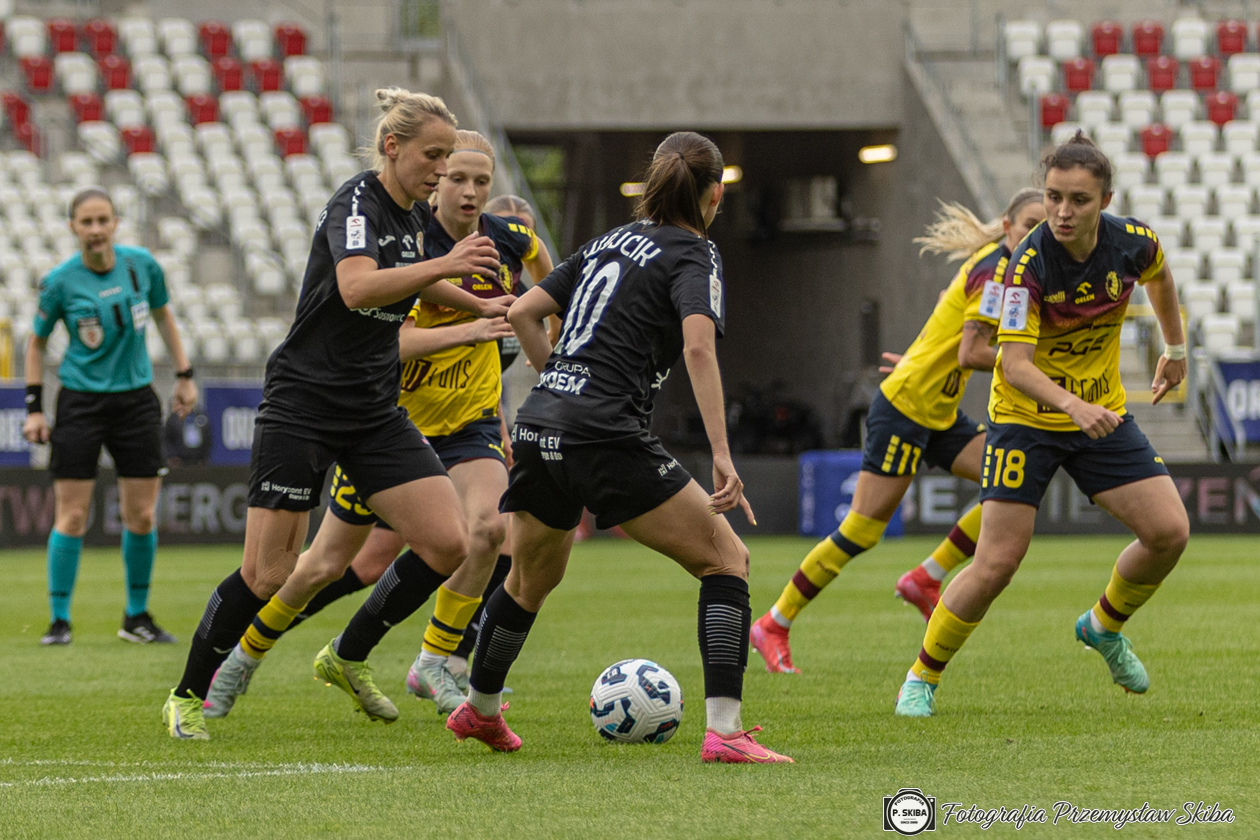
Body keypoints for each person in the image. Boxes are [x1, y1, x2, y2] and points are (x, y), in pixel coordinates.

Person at [162, 87, 506, 740]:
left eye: (449, 157)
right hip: (305, 404)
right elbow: (356, 286)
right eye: (433, 156)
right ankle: (186, 694)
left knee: (449, 542)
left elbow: (414, 273)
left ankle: (348, 653)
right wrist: (448, 262)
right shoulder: (357, 204)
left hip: (372, 409)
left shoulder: (411, 216)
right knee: (269, 574)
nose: (442, 170)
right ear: (392, 147)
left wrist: (477, 303)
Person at [445, 131, 793, 764]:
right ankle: (726, 733)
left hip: (540, 420)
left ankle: (480, 709)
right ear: (715, 194)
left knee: (529, 578)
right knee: (727, 561)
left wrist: (559, 385)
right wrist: (721, 452)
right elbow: (697, 347)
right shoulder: (696, 252)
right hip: (604, 430)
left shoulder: (609, 240)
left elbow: (523, 313)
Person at [895, 133, 1190, 717]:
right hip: (1026, 419)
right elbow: (1013, 365)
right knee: (997, 563)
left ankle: (1103, 626)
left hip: (1099, 413)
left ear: (1106, 201)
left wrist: (1175, 348)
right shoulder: (1026, 265)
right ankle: (921, 676)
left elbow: (1160, 277)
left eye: (1078, 200)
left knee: (1169, 532)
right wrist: (1073, 408)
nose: (1062, 211)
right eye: (1054, 196)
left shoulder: (1134, 242)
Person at [748, 188, 1046, 673]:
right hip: (907, 407)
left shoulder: (1004, 269)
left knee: (1017, 480)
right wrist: (1036, 369)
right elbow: (971, 351)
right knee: (861, 531)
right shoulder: (995, 270)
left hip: (937, 410)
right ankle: (773, 623)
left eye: (1044, 225)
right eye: (1030, 224)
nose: (1038, 233)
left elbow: (947, 316)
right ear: (1008, 226)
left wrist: (920, 358)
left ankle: (926, 578)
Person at [24, 187, 197, 647]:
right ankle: (59, 621)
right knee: (72, 515)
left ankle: (136, 617)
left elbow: (163, 316)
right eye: (87, 222)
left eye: (103, 220)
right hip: (80, 403)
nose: (96, 229)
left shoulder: (142, 265)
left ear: (116, 223)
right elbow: (35, 343)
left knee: (141, 515)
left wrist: (184, 375)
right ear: (73, 227)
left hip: (136, 402)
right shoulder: (60, 281)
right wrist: (34, 408)